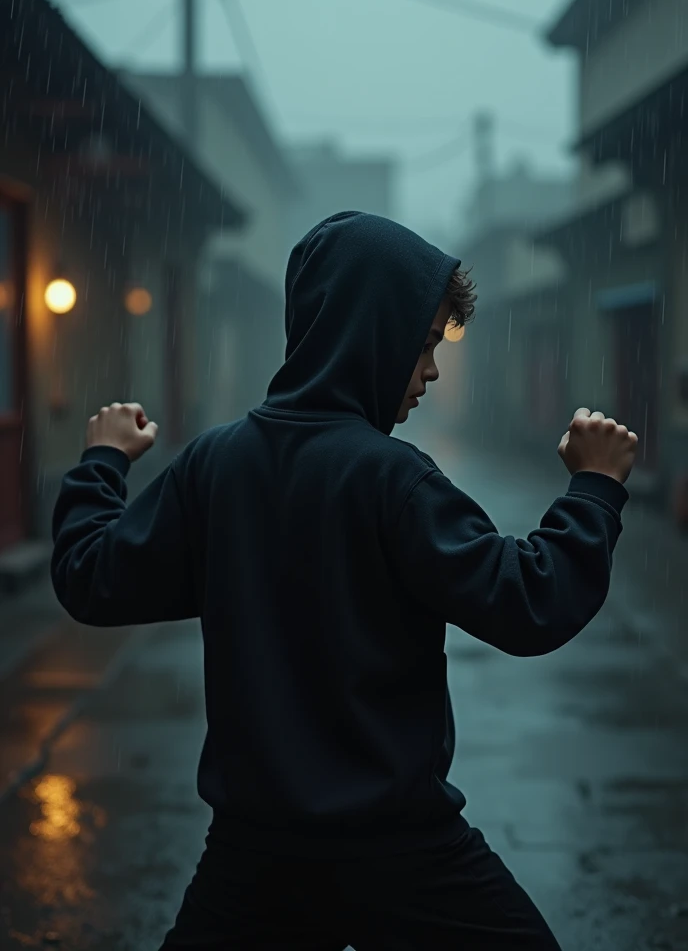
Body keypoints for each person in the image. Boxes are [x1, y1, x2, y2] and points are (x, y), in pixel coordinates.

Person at [51, 211, 638, 950]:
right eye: (423, 346)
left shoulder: (216, 465)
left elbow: (91, 577)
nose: (429, 373)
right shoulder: (394, 478)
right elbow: (530, 603)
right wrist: (593, 489)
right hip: (402, 853)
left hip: (254, 857)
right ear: (371, 334)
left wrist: (102, 461)